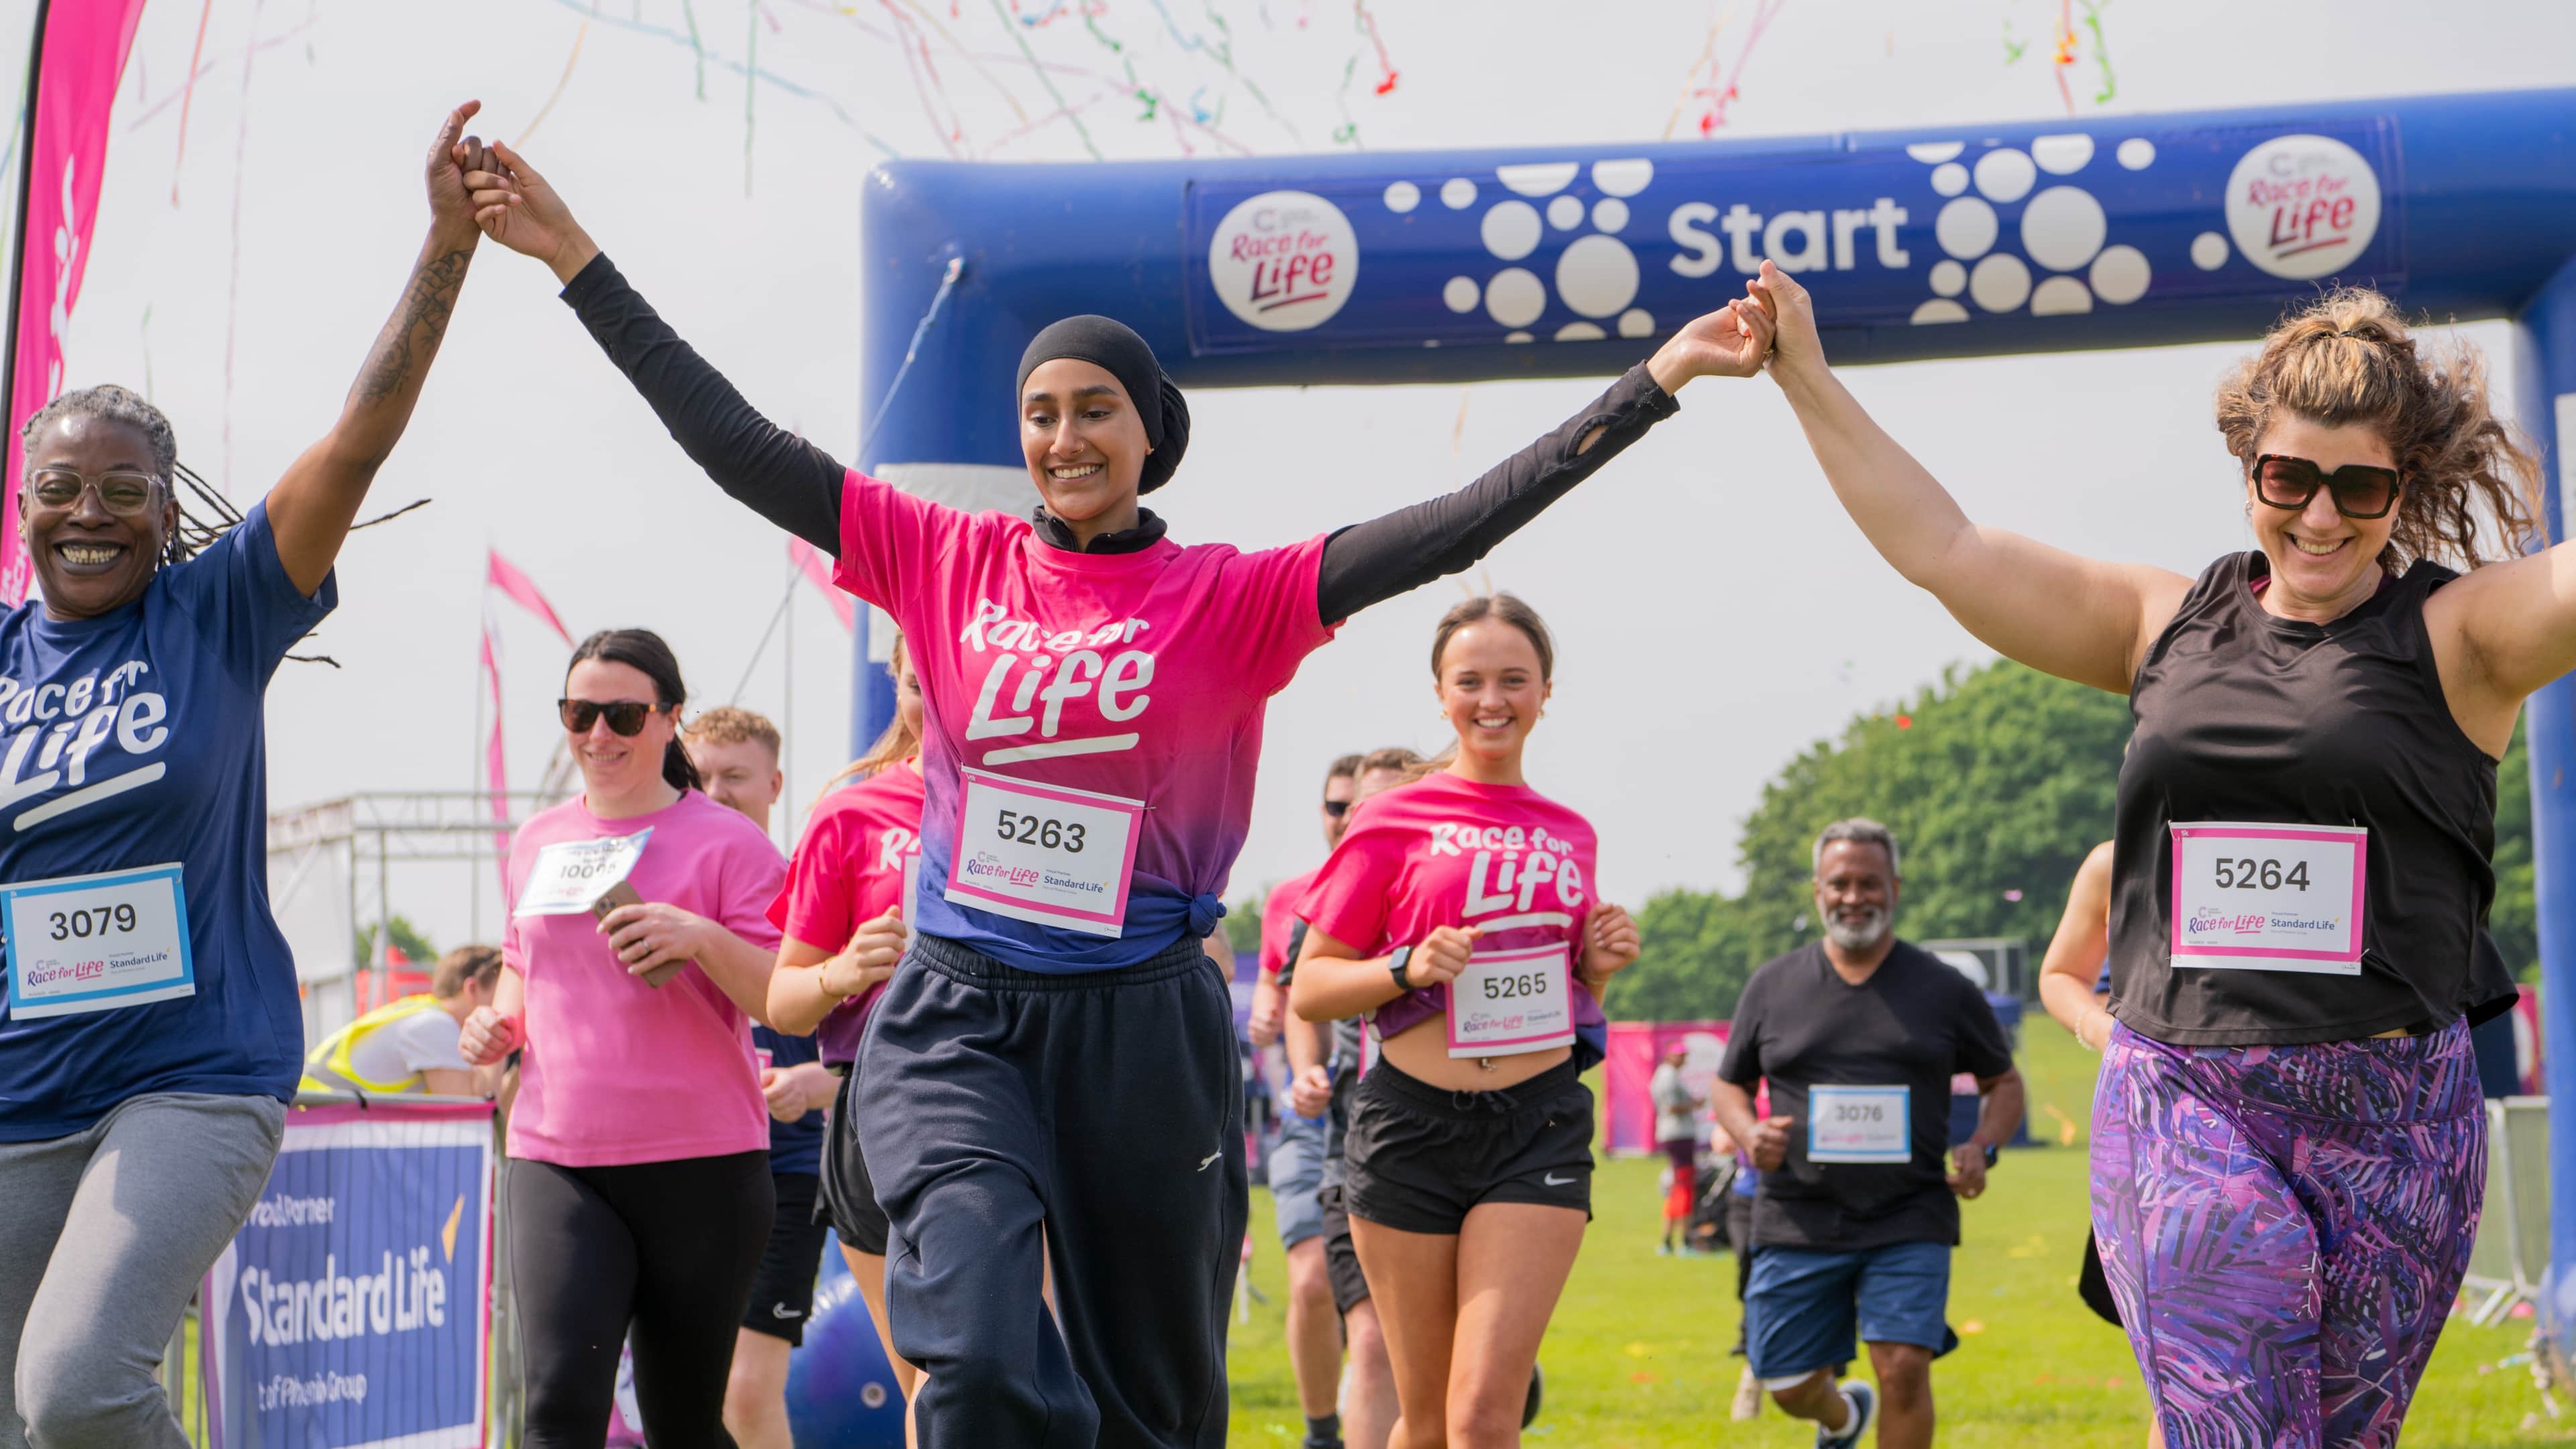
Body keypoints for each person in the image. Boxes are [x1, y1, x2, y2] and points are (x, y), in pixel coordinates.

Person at [459, 133, 1771, 1449]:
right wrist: (575, 257)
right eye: (1041, 411)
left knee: (1149, 1412)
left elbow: (1462, 521)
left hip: (1142, 1030)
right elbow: (738, 444)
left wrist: (1657, 378)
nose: (1064, 435)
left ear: (1149, 432)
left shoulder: (1235, 597)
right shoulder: (942, 555)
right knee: (971, 1370)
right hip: (963, 1011)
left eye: (1095, 409)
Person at [1741, 261, 2559, 1447]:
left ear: (2403, 486)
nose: (2320, 516)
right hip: (2189, 1096)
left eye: (2360, 487)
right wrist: (1807, 380)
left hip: (2396, 1121)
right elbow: (1948, 548)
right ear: (2247, 469)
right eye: (2289, 478)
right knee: (2238, 1430)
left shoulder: (2463, 634)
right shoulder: (2160, 623)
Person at [0, 103, 487, 1449]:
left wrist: (444, 244)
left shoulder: (216, 615)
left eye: (120, 489)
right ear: (23, 503)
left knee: (77, 1390)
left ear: (170, 513)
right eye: (58, 486)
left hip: (191, 1076)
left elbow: (358, 439)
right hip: (20, 1091)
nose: (86, 511)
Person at [1290, 594, 1642, 1449]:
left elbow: (1563, 987)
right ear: (1441, 693)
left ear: (1545, 691)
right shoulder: (1389, 820)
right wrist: (1405, 967)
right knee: (1429, 1416)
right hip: (1410, 1127)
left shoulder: (1571, 833)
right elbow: (1312, 985)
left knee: (1484, 1414)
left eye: (1514, 680)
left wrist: (1597, 962)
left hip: (1537, 1129)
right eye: (1472, 680)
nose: (1493, 700)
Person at [457, 629, 788, 1448]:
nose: (597, 735)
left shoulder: (731, 842)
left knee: (681, 1424)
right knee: (559, 1409)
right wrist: (495, 1024)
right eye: (579, 713)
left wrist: (701, 936)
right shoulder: (537, 840)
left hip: (702, 1163)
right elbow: (520, 965)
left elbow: (783, 999)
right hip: (557, 1159)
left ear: (671, 719)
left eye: (623, 715)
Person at [1709, 819, 2023, 1449]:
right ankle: (1842, 1418)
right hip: (1796, 1214)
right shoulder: (1773, 985)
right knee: (1788, 1383)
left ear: (1896, 889)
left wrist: (1981, 1147)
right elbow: (1727, 1085)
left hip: (1909, 1213)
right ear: (1818, 892)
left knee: (1905, 1369)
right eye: (1840, 883)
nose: (1855, 897)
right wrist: (1748, 1132)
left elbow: (2004, 1083)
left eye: (1869, 883)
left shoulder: (1944, 989)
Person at [763, 637, 927, 1440]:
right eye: (915, 683)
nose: (934, 700)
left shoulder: (1053, 807)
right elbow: (784, 1000)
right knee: (928, 1391)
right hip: (879, 1122)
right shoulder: (853, 813)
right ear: (895, 689)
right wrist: (844, 970)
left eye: (951, 680)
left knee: (1014, 1375)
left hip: (1022, 1112)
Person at [680, 705, 835, 1449]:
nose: (716, 792)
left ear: (774, 783)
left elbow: (881, 1041)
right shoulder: (662, 887)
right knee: (686, 1393)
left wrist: (816, 1085)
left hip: (788, 1170)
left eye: (734, 776)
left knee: (745, 1395)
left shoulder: (815, 886)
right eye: (700, 776)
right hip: (682, 1165)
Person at [1284, 746, 1421, 1449]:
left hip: (1462, 1153)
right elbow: (1300, 1006)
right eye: (1361, 806)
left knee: (1445, 1366)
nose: (1372, 818)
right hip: (1355, 1151)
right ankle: (1321, 1432)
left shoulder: (1456, 893)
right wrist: (1305, 1073)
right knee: (1367, 1336)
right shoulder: (1326, 906)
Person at [1260, 752, 1367, 1449]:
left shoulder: (1425, 886)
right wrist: (1270, 1019)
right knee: (1310, 1285)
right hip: (1314, 1117)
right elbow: (1284, 986)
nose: (1347, 817)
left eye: (1359, 803)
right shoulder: (1292, 897)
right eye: (1335, 805)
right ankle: (1321, 1432)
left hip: (1402, 1118)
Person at [300, 944, 504, 1097]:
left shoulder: (425, 1013)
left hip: (317, 1123)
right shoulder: (434, 1025)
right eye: (502, 993)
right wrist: (502, 1037)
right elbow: (474, 1111)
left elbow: (501, 1112)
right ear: (472, 989)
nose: (508, 1004)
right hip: (316, 1123)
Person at [1650, 1042, 1706, 1254]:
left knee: (1677, 1187)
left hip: (1676, 1135)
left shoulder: (1667, 1074)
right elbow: (1671, 1107)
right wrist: (1694, 1105)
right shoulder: (1668, 1076)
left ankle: (1669, 1241)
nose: (1683, 1059)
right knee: (1684, 1186)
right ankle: (1684, 1241)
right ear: (1670, 1056)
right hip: (1678, 1135)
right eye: (1680, 1055)